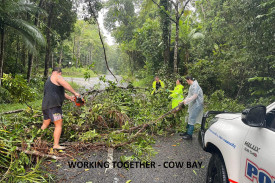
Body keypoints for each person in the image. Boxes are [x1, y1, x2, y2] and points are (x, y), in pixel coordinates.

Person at [40, 67, 80, 150]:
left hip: (46, 106)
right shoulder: (57, 76)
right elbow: (65, 84)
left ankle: (37, 140)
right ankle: (56, 145)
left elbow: (58, 92)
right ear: (59, 73)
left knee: (45, 124)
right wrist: (75, 93)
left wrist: (69, 97)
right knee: (58, 125)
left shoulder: (49, 80)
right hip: (54, 106)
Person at [181, 76, 204, 140]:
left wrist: (186, 101)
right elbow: (189, 96)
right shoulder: (192, 86)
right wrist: (183, 101)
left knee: (192, 118)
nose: (186, 82)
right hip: (193, 104)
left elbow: (194, 96)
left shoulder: (195, 86)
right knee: (189, 117)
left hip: (197, 105)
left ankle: (189, 135)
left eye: (186, 81)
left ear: (188, 80)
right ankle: (187, 132)